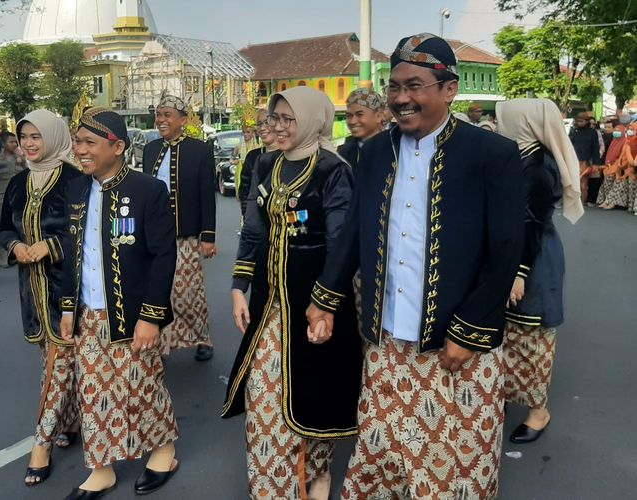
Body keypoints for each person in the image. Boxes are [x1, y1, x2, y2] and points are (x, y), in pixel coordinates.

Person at [305, 33, 525, 499]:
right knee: (381, 462)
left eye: (415, 86)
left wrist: (468, 332)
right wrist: (325, 298)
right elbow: (354, 234)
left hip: (455, 348)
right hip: (386, 345)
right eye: (395, 86)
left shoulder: (492, 155)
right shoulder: (374, 152)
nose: (402, 98)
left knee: (452, 474)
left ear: (450, 89)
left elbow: (506, 251)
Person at [222, 87, 363, 500]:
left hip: (314, 304)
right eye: (274, 118)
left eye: (288, 119)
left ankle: (317, 472)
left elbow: (341, 246)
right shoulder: (265, 164)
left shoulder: (333, 171)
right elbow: (253, 229)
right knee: (264, 397)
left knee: (314, 393)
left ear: (313, 121)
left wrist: (326, 306)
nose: (277, 127)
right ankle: (273, 491)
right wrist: (238, 286)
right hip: (269, 305)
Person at [60, 107, 179, 498]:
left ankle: (163, 450)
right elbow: (69, 250)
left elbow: (164, 256)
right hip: (88, 313)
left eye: (89, 143)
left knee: (142, 386)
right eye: (78, 142)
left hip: (132, 314)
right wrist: (66, 306)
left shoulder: (147, 190)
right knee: (93, 392)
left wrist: (151, 316)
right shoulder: (76, 189)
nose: (81, 150)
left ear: (118, 147)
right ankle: (102, 467)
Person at [0, 110, 81, 487]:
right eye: (23, 137)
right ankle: (71, 421)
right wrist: (16, 247)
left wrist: (49, 246)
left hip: (68, 291)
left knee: (58, 364)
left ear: (53, 136)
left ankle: (41, 444)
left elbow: (84, 234)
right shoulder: (17, 183)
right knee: (53, 364)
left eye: (36, 136)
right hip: (31, 290)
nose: (29, 144)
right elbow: (3, 229)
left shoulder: (76, 181)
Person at [496, 98, 583, 444]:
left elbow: (533, 222)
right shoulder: (518, 157)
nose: (499, 123)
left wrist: (518, 273)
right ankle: (501, 397)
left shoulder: (538, 166)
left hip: (534, 259)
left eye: (505, 118)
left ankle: (538, 411)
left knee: (532, 337)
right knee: (506, 335)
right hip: (514, 252)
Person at [143, 95, 217, 361]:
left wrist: (208, 236)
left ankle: (201, 338)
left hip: (187, 236)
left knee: (188, 291)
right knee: (161, 290)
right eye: (159, 114)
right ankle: (162, 341)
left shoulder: (200, 150)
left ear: (183, 121)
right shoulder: (150, 150)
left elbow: (207, 195)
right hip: (155, 237)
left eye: (167, 115)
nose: (161, 120)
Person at [0, 131, 26, 266]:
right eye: (11, 142)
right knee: (2, 223)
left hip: (20, 196)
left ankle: (16, 250)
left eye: (16, 142)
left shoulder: (20, 159)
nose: (15, 144)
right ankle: (2, 253)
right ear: (4, 144)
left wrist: (22, 162)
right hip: (3, 196)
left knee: (19, 222)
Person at [236, 108, 279, 218]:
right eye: (259, 124)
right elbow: (245, 192)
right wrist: (248, 217)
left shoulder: (289, 154)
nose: (263, 128)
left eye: (267, 122)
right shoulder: (252, 157)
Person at [338, 87, 387, 171]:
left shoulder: (393, 148)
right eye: (349, 116)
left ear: (378, 116)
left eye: (359, 114)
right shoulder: (343, 154)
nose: (352, 121)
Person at [600, 121, 637, 211]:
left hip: (630, 169)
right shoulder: (625, 141)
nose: (629, 131)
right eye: (629, 129)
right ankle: (610, 201)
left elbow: (631, 161)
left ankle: (627, 206)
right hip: (624, 169)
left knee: (622, 184)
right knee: (619, 184)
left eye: (632, 130)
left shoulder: (629, 143)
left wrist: (623, 167)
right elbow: (621, 157)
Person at [596, 116, 629, 208]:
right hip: (609, 165)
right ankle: (606, 201)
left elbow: (622, 156)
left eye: (618, 131)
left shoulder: (624, 141)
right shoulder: (614, 141)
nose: (616, 132)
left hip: (618, 166)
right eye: (616, 130)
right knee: (606, 184)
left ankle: (611, 202)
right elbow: (609, 154)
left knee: (615, 185)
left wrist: (615, 165)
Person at [569, 111, 600, 203]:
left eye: (581, 121)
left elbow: (595, 147)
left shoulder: (592, 132)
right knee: (573, 181)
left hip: (585, 160)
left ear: (587, 121)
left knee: (583, 181)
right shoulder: (574, 131)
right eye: (578, 121)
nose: (579, 123)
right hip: (574, 159)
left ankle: (583, 200)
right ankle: (574, 199)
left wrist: (596, 163)